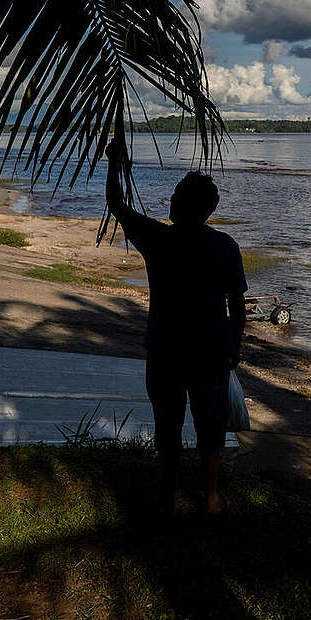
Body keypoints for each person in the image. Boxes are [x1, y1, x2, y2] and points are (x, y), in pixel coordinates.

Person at [105, 137, 247, 516]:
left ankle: (167, 498)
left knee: (168, 425)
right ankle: (211, 498)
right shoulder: (225, 246)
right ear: (208, 211)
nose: (169, 200)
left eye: (174, 195)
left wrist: (114, 163)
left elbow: (117, 205)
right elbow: (237, 303)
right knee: (210, 427)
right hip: (211, 350)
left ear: (179, 204)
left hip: (166, 348)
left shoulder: (159, 239)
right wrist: (236, 346)